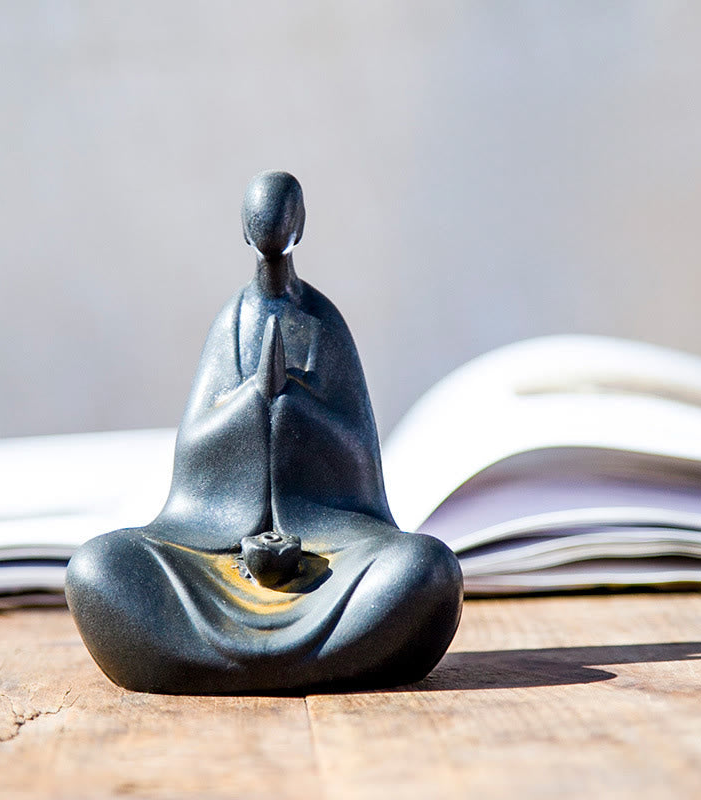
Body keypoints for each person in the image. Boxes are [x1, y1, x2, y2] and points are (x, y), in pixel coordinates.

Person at [66, 171, 463, 694]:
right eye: (261, 243)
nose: (271, 256)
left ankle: (212, 662)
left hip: (335, 551)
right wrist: (251, 401)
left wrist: (295, 405)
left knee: (426, 568)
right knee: (98, 566)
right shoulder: (232, 320)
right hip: (211, 547)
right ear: (245, 236)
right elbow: (195, 445)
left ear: (299, 231)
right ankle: (325, 658)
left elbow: (358, 448)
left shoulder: (324, 324)